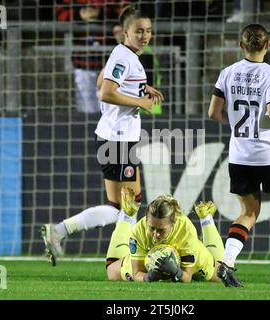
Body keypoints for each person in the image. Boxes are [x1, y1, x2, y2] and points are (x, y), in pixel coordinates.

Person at [41, 4, 164, 265]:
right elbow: (105, 92)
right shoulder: (124, 56)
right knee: (130, 205)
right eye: (139, 31)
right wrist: (139, 102)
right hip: (118, 139)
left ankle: (59, 231)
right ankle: (122, 259)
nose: (145, 36)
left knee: (118, 208)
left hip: (114, 137)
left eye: (148, 31)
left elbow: (101, 82)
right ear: (125, 32)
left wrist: (141, 88)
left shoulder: (122, 54)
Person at [208, 24, 270, 288]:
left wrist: (236, 124)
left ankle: (227, 262)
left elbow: (213, 113)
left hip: (239, 156)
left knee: (247, 213)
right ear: (267, 46)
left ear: (241, 45)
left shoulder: (227, 73)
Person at [106, 187, 225, 283]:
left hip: (190, 255)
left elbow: (187, 276)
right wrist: (148, 277)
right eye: (151, 228)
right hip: (148, 253)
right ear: (146, 220)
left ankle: (206, 218)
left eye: (161, 230)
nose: (155, 234)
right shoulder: (139, 230)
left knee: (222, 273)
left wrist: (176, 272)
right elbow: (137, 273)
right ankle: (126, 216)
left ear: (173, 224)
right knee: (111, 271)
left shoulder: (186, 230)